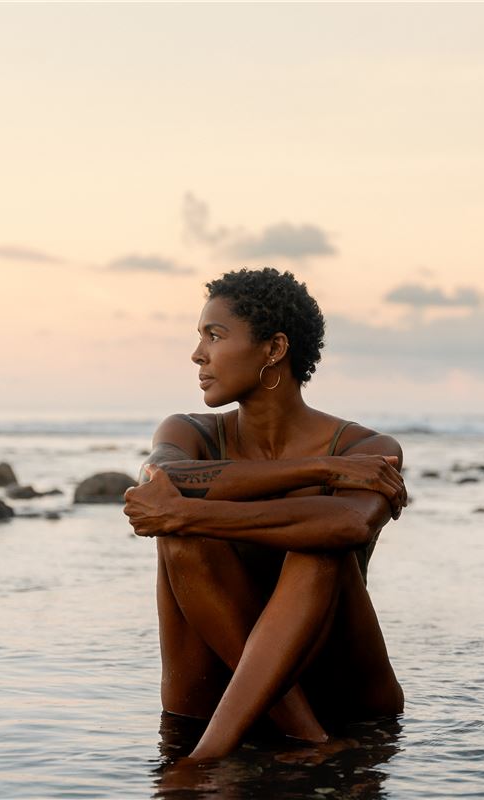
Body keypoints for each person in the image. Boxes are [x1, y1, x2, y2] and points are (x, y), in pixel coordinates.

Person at [123, 267, 407, 763]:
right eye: (200, 337)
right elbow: (160, 481)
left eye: (215, 335)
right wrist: (322, 469)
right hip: (211, 700)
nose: (197, 354)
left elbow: (348, 525)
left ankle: (205, 761)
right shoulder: (191, 432)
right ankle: (301, 736)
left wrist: (185, 515)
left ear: (274, 349)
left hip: (341, 698)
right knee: (182, 537)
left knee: (317, 548)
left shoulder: (367, 449)